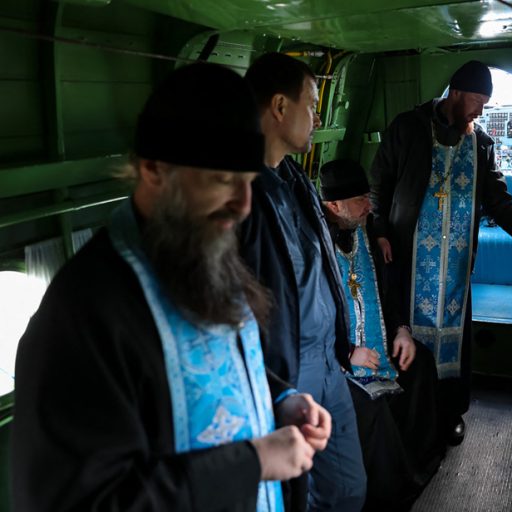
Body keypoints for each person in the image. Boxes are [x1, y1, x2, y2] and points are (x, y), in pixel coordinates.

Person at [11, 63, 331, 512]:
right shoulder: (84, 312)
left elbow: (225, 359)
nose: (243, 207)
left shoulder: (200, 250)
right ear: (155, 170)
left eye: (249, 182)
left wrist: (280, 398)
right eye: (223, 181)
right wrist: (251, 463)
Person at [369, 60, 512, 445]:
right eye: (476, 100)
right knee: (406, 331)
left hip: (456, 265)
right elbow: (380, 183)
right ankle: (409, 410)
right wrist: (378, 232)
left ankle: (448, 413)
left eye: (485, 104)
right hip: (410, 260)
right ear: (454, 93)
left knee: (454, 342)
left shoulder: (480, 144)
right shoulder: (407, 128)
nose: (480, 110)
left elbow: (498, 201)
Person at [240, 53, 366, 511]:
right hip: (290, 366)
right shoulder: (244, 194)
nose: (316, 119)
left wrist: (344, 343)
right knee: (294, 496)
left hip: (329, 358)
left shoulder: (296, 178)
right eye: (311, 105)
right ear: (278, 106)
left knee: (348, 489)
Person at [319, 159, 443, 511]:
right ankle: (390, 493)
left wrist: (401, 330)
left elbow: (389, 287)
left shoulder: (368, 231)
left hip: (378, 341)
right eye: (360, 200)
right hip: (335, 357)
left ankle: (418, 460)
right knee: (369, 408)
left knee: (420, 361)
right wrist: (346, 353)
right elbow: (311, 315)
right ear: (332, 206)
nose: (369, 206)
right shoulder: (313, 245)